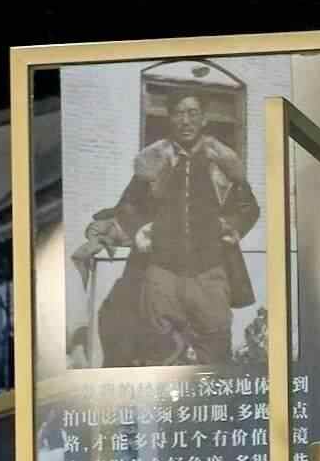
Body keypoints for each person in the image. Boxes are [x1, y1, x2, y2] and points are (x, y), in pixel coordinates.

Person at [79, 101, 259, 369]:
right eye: (179, 113)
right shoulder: (154, 161)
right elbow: (127, 206)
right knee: (158, 349)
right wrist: (140, 229)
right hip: (161, 272)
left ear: (204, 119)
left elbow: (249, 208)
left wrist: (231, 227)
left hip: (210, 271)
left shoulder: (222, 163)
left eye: (193, 113)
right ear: (170, 118)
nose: (185, 121)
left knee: (216, 349)